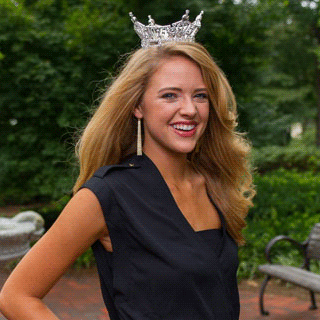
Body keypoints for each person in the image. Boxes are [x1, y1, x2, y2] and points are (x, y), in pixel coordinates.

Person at [0, 11, 254, 320]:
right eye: (170, 95)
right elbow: (16, 296)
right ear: (137, 106)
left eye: (200, 96)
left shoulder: (214, 183)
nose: (189, 110)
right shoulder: (109, 193)